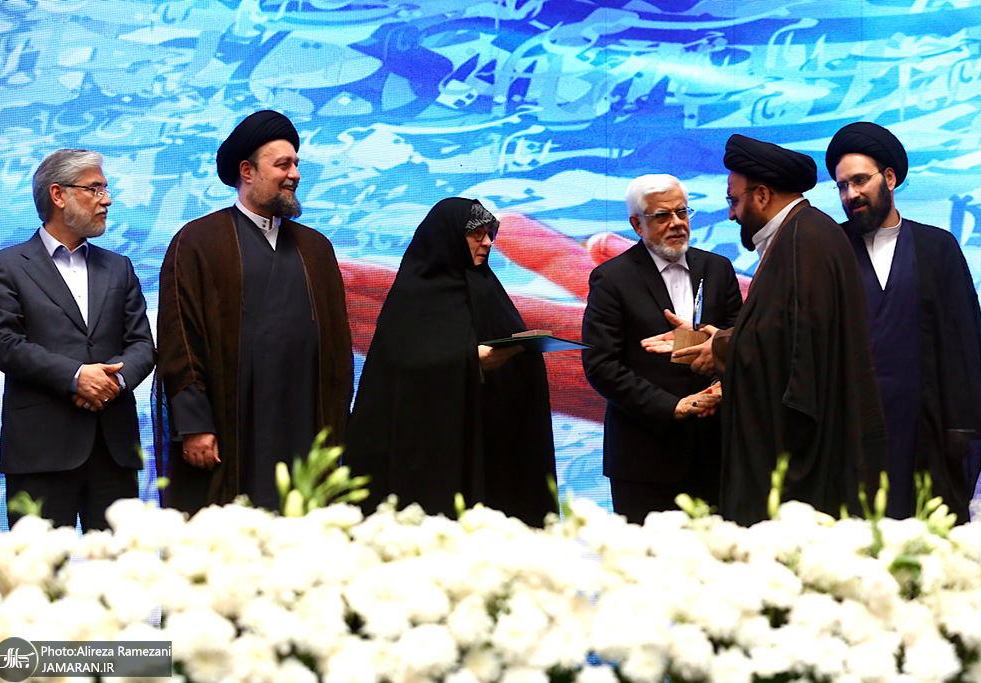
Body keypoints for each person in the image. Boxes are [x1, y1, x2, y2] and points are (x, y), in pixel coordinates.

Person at [648, 136, 888, 525]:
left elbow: (795, 348)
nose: (731, 215)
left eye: (734, 200)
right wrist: (718, 339)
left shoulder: (805, 240)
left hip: (807, 462)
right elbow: (780, 330)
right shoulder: (802, 233)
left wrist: (720, 348)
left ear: (761, 195)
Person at [156, 110, 353, 513]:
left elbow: (337, 346)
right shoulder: (198, 241)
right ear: (247, 171)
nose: (294, 174)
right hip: (231, 428)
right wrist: (194, 425)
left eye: (296, 164)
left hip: (305, 421)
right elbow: (181, 340)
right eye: (283, 165)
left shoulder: (316, 248)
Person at [343, 197, 558, 526]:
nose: (488, 243)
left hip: (492, 445)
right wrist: (470, 362)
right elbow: (401, 371)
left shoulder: (489, 289)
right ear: (449, 236)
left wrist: (521, 354)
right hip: (431, 451)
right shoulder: (414, 295)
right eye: (477, 234)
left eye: (490, 234)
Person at [825, 122, 981, 521]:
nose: (851, 194)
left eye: (860, 180)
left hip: (924, 430)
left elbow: (962, 342)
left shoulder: (937, 247)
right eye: (842, 186)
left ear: (889, 178)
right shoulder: (831, 247)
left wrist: (960, 426)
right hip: (850, 436)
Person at [0, 149, 155, 530]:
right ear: (58, 195)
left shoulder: (120, 267)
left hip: (113, 449)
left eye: (105, 189)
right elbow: (5, 345)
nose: (106, 200)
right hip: (39, 452)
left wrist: (112, 383)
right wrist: (77, 377)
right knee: (39, 566)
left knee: (121, 564)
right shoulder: (3, 267)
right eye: (95, 189)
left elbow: (143, 345)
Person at [581, 174, 742, 522]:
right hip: (645, 457)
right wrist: (673, 407)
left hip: (717, 452)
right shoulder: (612, 278)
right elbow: (601, 364)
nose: (677, 223)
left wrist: (719, 387)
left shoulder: (717, 268)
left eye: (682, 212)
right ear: (636, 224)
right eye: (662, 216)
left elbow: (741, 343)